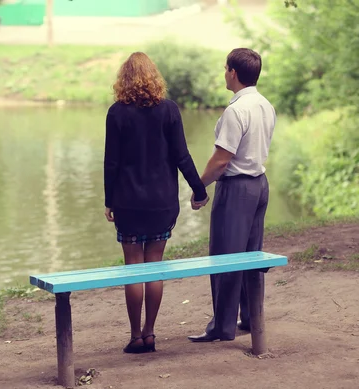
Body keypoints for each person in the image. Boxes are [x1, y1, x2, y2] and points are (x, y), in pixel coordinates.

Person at [104, 52, 209, 354]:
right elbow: (182, 156)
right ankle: (150, 333)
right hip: (162, 204)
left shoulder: (116, 113)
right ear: (155, 78)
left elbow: (112, 163)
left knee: (134, 268)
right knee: (154, 267)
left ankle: (135, 335)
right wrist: (199, 190)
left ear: (123, 79)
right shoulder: (170, 110)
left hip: (128, 204)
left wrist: (109, 200)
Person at [188, 48, 276, 343]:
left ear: (233, 73)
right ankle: (251, 317)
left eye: (225, 68)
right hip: (259, 184)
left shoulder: (236, 111)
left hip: (237, 188)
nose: (224, 73)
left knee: (225, 257)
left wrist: (199, 188)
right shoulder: (265, 105)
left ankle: (222, 327)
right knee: (250, 256)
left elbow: (221, 160)